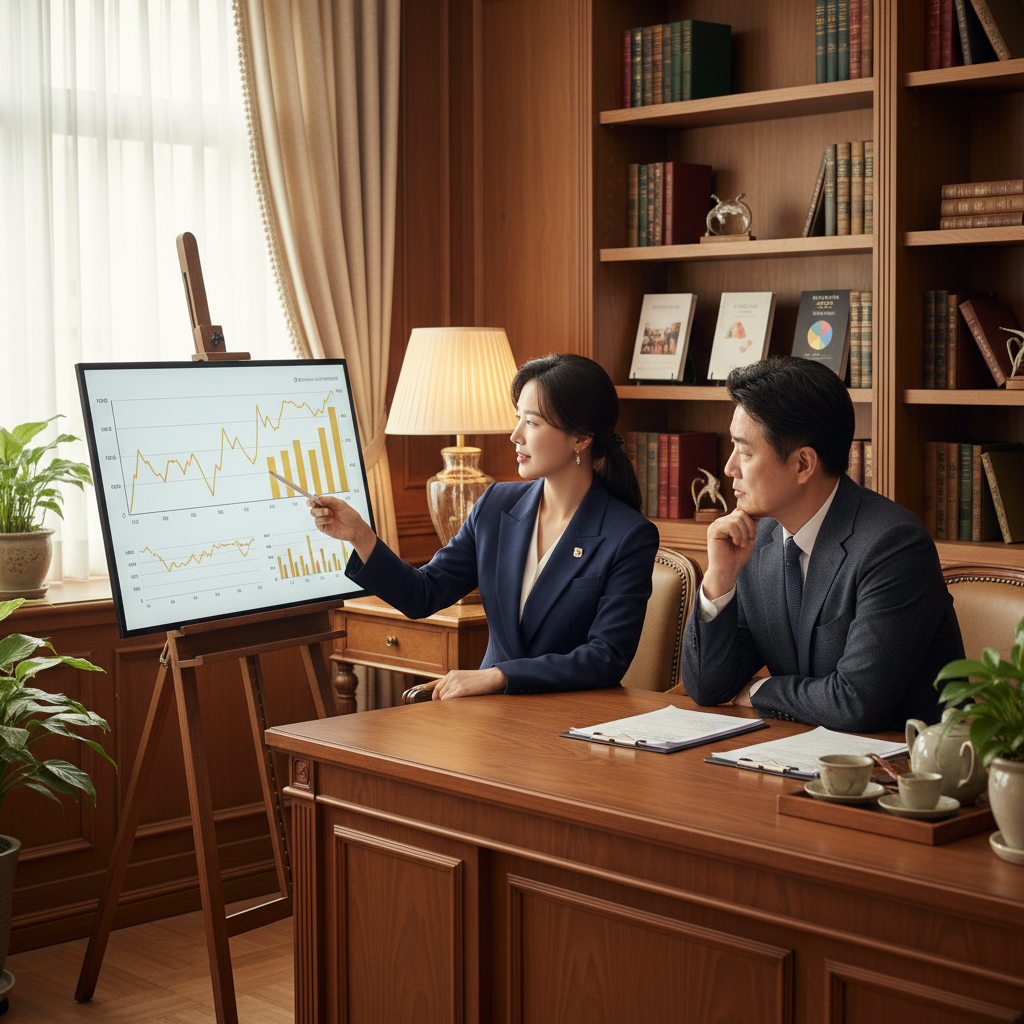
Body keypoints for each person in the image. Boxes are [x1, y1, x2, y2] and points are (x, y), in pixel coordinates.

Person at [310, 353, 659, 699]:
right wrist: (360, 536)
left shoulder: (627, 535)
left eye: (533, 422)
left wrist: (500, 675)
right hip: (489, 715)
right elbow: (422, 595)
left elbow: (606, 657)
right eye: (517, 417)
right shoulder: (496, 505)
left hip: (569, 722)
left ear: (581, 438)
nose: (515, 435)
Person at [681, 356, 963, 732]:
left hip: (902, 769)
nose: (730, 467)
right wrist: (720, 577)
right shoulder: (758, 539)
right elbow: (707, 686)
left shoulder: (893, 546)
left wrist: (762, 691)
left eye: (745, 452)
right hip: (803, 755)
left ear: (802, 465)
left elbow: (855, 704)